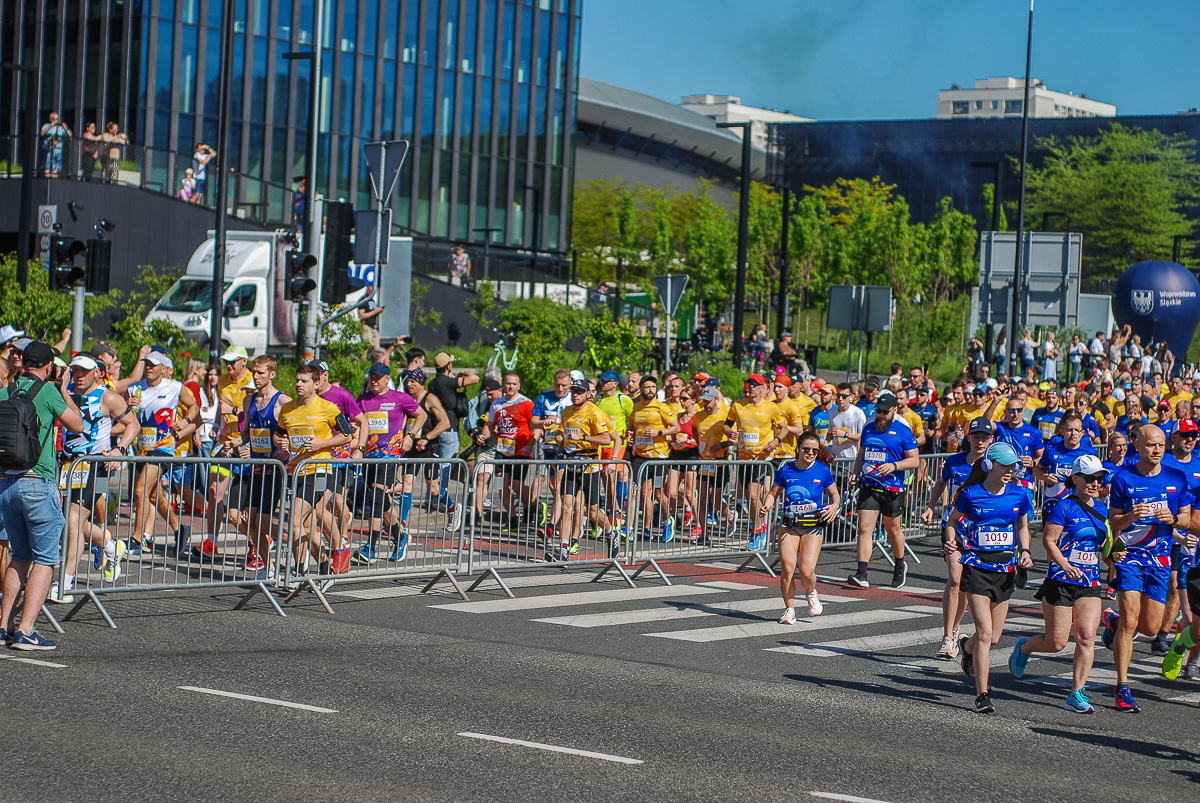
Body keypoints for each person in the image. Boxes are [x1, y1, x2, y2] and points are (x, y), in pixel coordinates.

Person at [0, 341, 85, 651]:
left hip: (7, 484)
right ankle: (26, 631)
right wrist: (63, 388)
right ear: (48, 367)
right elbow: (77, 424)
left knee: (19, 556)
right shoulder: (48, 391)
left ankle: (3, 626)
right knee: (46, 559)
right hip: (38, 481)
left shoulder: (6, 391)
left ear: (23, 363)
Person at [1008, 455, 1110, 713]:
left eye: (1098, 478)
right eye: (1089, 478)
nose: (1095, 483)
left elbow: (1105, 546)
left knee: (1087, 638)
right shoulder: (1063, 507)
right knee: (1056, 643)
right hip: (1061, 581)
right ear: (1075, 478)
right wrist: (1065, 565)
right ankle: (1024, 648)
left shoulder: (1103, 510)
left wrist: (1115, 556)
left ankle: (1076, 693)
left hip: (1089, 582)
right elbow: (1049, 540)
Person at [1102, 424, 1192, 712]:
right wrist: (1130, 516)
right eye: (1152, 445)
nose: (1157, 450)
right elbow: (1113, 520)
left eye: (1161, 445)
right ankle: (1122, 687)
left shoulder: (1176, 477)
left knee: (1151, 628)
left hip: (1160, 559)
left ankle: (1113, 623)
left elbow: (1187, 518)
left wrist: (1172, 519)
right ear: (1138, 446)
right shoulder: (1123, 477)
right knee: (1130, 622)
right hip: (1130, 557)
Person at [947, 443, 1034, 714]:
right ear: (989, 465)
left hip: (1005, 571)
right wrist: (951, 540)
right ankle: (982, 695)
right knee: (985, 632)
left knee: (994, 637)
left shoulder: (1019, 494)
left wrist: (1026, 551)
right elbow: (952, 521)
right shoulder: (970, 494)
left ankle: (966, 647)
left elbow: (1022, 526)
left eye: (1013, 466)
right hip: (977, 568)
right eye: (1004, 466)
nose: (1010, 471)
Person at [56, 354, 137, 601]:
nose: (79, 375)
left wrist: (120, 448)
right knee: (70, 523)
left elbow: (133, 424)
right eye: (76, 370)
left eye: (85, 371)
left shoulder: (108, 397)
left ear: (97, 373)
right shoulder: (66, 393)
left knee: (72, 520)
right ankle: (111, 546)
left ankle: (64, 584)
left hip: (94, 466)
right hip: (68, 466)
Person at [922, 416, 994, 658]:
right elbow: (940, 484)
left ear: (991, 440)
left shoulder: (993, 465)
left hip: (979, 531)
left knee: (964, 583)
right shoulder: (954, 462)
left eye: (984, 438)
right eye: (976, 437)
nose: (980, 442)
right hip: (953, 526)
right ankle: (947, 636)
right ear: (969, 438)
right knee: (955, 577)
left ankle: (955, 628)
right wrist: (930, 506)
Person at [276, 365, 352, 577]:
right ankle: (326, 566)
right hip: (295, 471)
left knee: (295, 520)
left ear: (316, 384)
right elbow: (278, 434)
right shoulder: (287, 408)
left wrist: (321, 444)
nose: (298, 384)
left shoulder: (329, 408)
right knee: (307, 527)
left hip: (319, 470)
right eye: (297, 380)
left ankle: (299, 572)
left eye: (304, 381)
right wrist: (281, 443)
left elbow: (347, 436)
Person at [762, 431, 840, 624]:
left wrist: (834, 506)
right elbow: (773, 493)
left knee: (806, 571)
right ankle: (790, 610)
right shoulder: (786, 469)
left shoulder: (822, 470)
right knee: (787, 568)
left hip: (813, 526)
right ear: (798, 449)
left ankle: (811, 591)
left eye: (815, 450)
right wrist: (767, 506)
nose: (811, 453)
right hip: (789, 524)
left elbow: (835, 495)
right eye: (806, 449)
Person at [128, 352, 199, 554]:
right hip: (142, 448)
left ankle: (136, 539)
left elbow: (193, 406)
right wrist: (128, 406)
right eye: (147, 364)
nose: (149, 367)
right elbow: (128, 417)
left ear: (163, 368)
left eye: (153, 364)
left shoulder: (175, 387)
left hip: (163, 448)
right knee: (153, 497)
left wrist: (185, 421)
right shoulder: (135, 388)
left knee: (140, 491)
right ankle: (179, 529)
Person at [847, 393, 919, 589]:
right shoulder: (868, 428)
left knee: (893, 530)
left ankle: (900, 565)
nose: (881, 415)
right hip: (869, 486)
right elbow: (861, 454)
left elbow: (914, 460)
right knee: (864, 529)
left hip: (892, 488)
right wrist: (855, 473)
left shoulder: (903, 431)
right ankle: (862, 573)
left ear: (894, 410)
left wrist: (894, 466)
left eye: (885, 412)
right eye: (878, 411)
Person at [354, 362, 424, 564]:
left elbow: (421, 415)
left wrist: (410, 435)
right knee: (382, 502)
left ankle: (370, 548)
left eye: (378, 378)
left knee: (376, 498)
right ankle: (400, 537)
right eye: (371, 378)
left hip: (389, 456)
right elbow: (358, 424)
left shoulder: (400, 398)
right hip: (369, 457)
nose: (374, 382)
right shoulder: (363, 399)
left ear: (387, 379)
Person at [233, 356, 291, 574]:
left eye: (260, 373)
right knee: (252, 523)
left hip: (275, 470)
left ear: (272, 374)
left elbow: (293, 435)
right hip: (255, 469)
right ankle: (270, 566)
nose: (255, 377)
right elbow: (246, 433)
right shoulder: (249, 400)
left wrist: (286, 450)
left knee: (264, 523)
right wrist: (235, 443)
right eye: (254, 372)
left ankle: (294, 541)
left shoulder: (283, 401)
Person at [555, 379, 615, 559]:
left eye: (579, 391)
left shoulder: (594, 413)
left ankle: (611, 532)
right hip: (571, 465)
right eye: (573, 391)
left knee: (592, 513)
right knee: (567, 507)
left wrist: (583, 438)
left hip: (590, 466)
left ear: (588, 394)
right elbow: (562, 435)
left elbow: (606, 439)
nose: (575, 395)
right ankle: (563, 549)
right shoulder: (566, 412)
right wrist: (560, 448)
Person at [725, 374, 785, 550]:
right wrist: (730, 433)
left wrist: (775, 441)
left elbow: (784, 428)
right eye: (749, 383)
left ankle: (757, 532)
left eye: (755, 384)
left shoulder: (771, 407)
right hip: (743, 459)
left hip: (761, 459)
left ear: (762, 388)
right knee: (750, 498)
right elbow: (726, 425)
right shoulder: (737, 405)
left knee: (753, 495)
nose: (751, 386)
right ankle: (759, 525)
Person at [483, 373, 537, 532]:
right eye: (508, 383)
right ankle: (512, 519)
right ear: (503, 386)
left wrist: (530, 445)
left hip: (521, 450)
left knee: (516, 485)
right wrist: (483, 435)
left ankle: (532, 504)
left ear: (519, 386)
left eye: (514, 384)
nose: (511, 386)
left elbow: (536, 427)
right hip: (502, 449)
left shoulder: (527, 403)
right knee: (501, 484)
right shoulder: (497, 404)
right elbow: (490, 425)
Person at [628, 374, 680, 542]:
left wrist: (659, 432)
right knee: (638, 492)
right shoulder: (636, 407)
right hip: (640, 456)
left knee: (659, 493)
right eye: (647, 387)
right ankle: (637, 528)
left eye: (653, 387)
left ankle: (667, 521)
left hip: (659, 457)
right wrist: (630, 436)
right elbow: (632, 427)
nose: (650, 390)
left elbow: (676, 427)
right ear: (641, 389)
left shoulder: (661, 407)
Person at [430, 351, 478, 513]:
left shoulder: (432, 383)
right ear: (448, 366)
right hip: (449, 429)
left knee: (435, 465)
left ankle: (431, 494)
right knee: (446, 466)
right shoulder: (449, 382)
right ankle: (439, 498)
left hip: (436, 428)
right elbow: (475, 378)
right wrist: (461, 374)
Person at [828, 382, 866, 460]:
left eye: (844, 396)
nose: (840, 399)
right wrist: (824, 443)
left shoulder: (858, 413)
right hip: (836, 457)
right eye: (838, 396)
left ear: (850, 396)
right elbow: (830, 433)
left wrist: (845, 434)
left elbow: (862, 436)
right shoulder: (832, 413)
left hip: (851, 457)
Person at [39, 112, 71, 178]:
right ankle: (47, 176)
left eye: (57, 119)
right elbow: (42, 134)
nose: (55, 121)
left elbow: (70, 135)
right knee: (47, 164)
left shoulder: (61, 128)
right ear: (50, 119)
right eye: (53, 119)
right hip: (48, 149)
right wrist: (50, 126)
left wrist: (66, 128)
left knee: (57, 166)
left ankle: (54, 176)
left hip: (58, 150)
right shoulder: (46, 126)